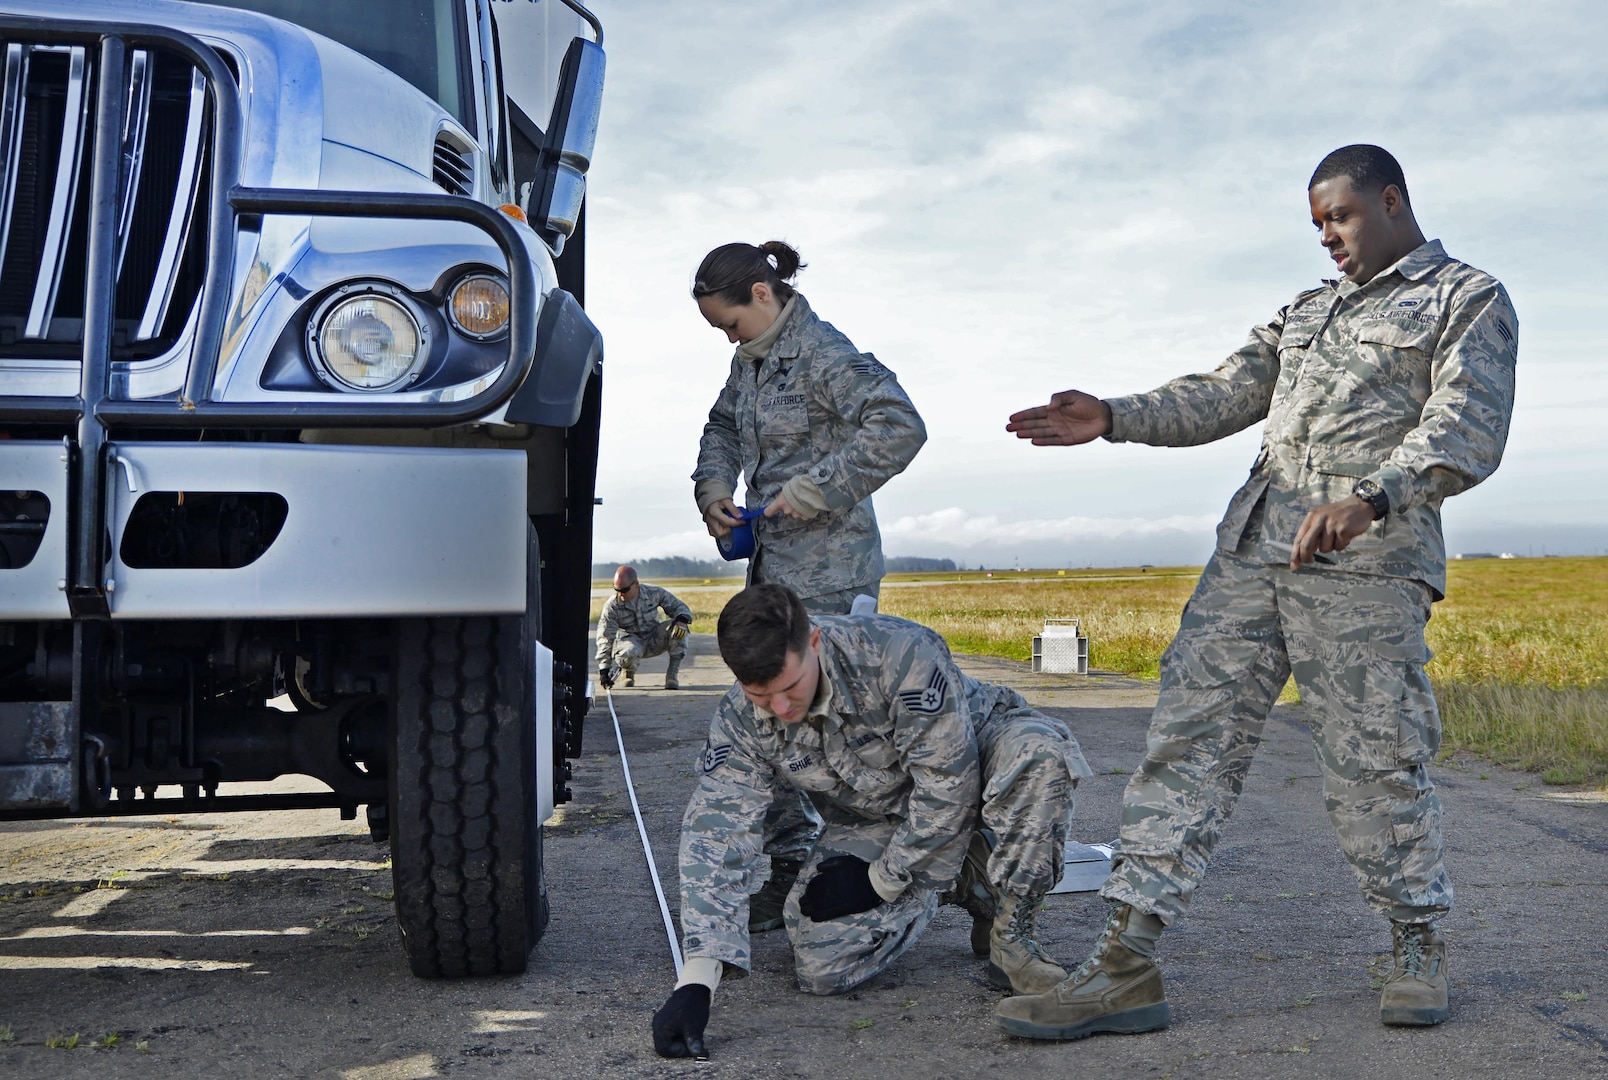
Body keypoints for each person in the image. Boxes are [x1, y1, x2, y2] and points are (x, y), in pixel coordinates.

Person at [996, 145, 1518, 1041]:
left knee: (1375, 761)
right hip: (1250, 559)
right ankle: (1125, 964)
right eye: (1317, 224)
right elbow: (1227, 390)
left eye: (1340, 217)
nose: (1327, 237)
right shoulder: (1307, 313)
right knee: (1185, 744)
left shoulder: (1464, 299)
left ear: (1391, 201)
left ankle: (1417, 942)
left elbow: (1466, 423)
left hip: (1365, 567)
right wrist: (1117, 417)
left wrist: (1372, 497)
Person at [650, 583, 1091, 1059]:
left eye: (789, 687)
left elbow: (948, 786)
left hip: (975, 763)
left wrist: (880, 881)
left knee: (1039, 756)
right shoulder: (739, 720)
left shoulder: (899, 655)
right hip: (881, 811)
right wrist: (697, 978)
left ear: (813, 643)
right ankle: (971, 876)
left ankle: (1014, 937)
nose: (780, 709)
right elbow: (716, 832)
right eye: (761, 695)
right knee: (824, 967)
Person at [690, 240, 929, 928]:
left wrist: (817, 489)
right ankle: (790, 866)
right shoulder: (752, 362)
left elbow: (901, 428)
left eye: (729, 323)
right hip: (773, 569)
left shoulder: (826, 353)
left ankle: (878, 875)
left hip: (832, 575)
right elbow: (722, 426)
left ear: (762, 296)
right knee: (778, 722)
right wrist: (714, 491)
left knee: (843, 730)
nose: (727, 338)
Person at [595, 566, 693, 690]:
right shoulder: (612, 606)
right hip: (630, 641)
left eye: (625, 590)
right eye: (617, 590)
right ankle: (628, 672)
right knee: (627, 653)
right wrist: (604, 670)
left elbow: (679, 607)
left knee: (679, 629)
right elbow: (605, 637)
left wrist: (682, 619)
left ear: (636, 584)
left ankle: (672, 674)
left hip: (654, 637)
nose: (621, 594)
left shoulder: (654, 592)